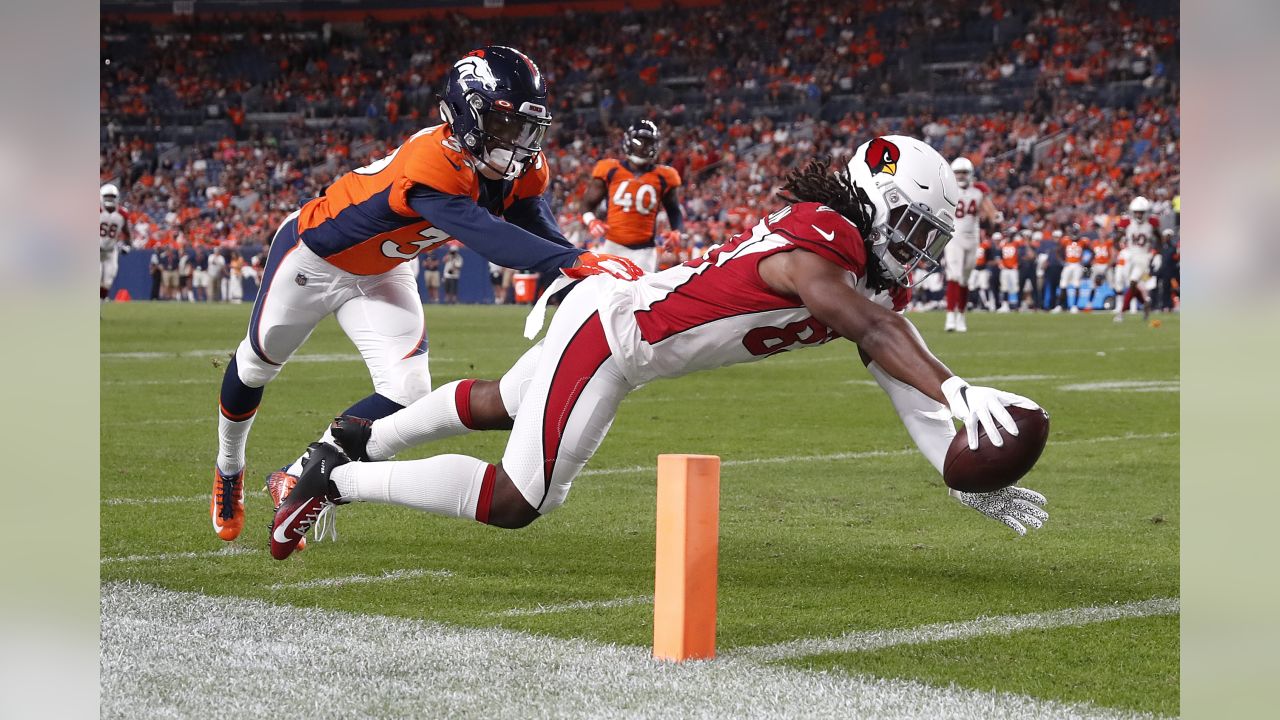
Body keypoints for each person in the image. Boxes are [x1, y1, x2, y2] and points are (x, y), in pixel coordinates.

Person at [268, 136, 1049, 561]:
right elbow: (871, 329)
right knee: (519, 500)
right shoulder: (825, 238)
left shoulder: (871, 280)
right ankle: (337, 484)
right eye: (912, 227)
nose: (915, 251)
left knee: (507, 402)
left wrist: (957, 468)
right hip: (613, 338)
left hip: (615, 319)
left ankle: (340, 448)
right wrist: (955, 387)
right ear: (875, 205)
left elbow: (892, 367)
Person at [211, 46, 643, 543]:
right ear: (467, 115)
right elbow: (485, 235)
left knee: (409, 392)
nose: (518, 142)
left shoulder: (516, 166)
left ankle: (302, 472)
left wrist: (573, 262)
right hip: (312, 259)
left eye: (525, 128)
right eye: (504, 126)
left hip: (384, 271)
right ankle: (228, 468)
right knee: (255, 366)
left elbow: (528, 216)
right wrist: (571, 261)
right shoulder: (432, 159)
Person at [578, 119, 684, 273]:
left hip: (644, 251)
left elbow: (674, 210)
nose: (645, 147)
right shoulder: (610, 169)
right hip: (612, 246)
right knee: (606, 293)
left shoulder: (664, 176)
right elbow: (586, 204)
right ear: (629, 142)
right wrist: (591, 221)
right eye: (641, 141)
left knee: (639, 295)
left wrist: (676, 231)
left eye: (649, 142)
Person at [943, 157, 998, 332]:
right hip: (953, 237)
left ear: (970, 173)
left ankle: (961, 316)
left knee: (965, 279)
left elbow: (989, 209)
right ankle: (950, 316)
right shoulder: (948, 189)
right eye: (957, 172)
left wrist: (995, 216)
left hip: (973, 238)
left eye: (963, 172)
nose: (960, 176)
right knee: (954, 276)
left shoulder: (979, 190)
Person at [99, 183, 132, 301]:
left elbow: (127, 233)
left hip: (111, 251)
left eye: (112, 197)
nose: (109, 200)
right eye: (107, 197)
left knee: (108, 280)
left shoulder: (122, 214)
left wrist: (127, 245)